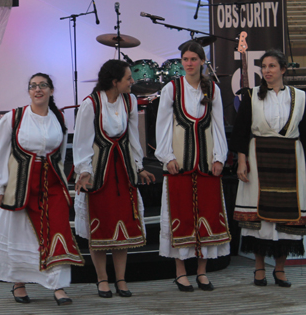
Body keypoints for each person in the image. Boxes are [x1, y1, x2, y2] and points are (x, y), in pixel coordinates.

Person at [0, 73, 84, 306]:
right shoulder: (14, 117)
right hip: (21, 186)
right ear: (29, 91)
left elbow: (60, 155)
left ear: (51, 90)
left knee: (57, 228)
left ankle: (58, 285)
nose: (38, 90)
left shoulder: (58, 118)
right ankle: (18, 282)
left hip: (51, 183)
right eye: (33, 86)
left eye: (43, 86)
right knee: (20, 232)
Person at [73, 59, 155, 298]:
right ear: (114, 81)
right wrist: (84, 171)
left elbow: (132, 138)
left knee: (122, 227)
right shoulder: (91, 104)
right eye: (129, 78)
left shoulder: (129, 101)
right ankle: (102, 279)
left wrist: (138, 167)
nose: (133, 82)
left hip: (122, 172)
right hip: (100, 173)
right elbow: (82, 142)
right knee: (99, 225)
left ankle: (121, 279)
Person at [155, 41, 230, 292]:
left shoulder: (213, 90)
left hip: (207, 163)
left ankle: (201, 272)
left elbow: (218, 125)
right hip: (180, 165)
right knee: (180, 215)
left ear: (201, 61)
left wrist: (219, 156)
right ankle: (180, 272)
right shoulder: (171, 89)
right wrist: (167, 156)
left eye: (193, 59)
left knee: (207, 214)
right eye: (185, 59)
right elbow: (163, 126)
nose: (188, 64)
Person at [231, 49, 306, 288]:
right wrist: (242, 161)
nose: (267, 70)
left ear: (283, 69)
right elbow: (241, 132)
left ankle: (281, 269)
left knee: (287, 215)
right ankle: (259, 267)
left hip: (290, 160)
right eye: (264, 66)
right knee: (260, 217)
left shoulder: (301, 97)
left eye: (272, 66)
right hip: (258, 158)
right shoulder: (251, 96)